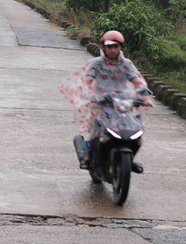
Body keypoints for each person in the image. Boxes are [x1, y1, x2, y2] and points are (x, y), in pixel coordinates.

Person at [59, 30, 152, 171]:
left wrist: (143, 95)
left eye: (116, 46)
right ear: (104, 47)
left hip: (122, 103)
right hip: (102, 102)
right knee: (98, 129)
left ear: (120, 47)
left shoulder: (126, 64)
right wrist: (91, 94)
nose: (113, 50)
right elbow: (87, 81)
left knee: (136, 132)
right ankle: (88, 156)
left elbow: (137, 81)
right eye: (109, 47)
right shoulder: (96, 64)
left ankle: (129, 159)